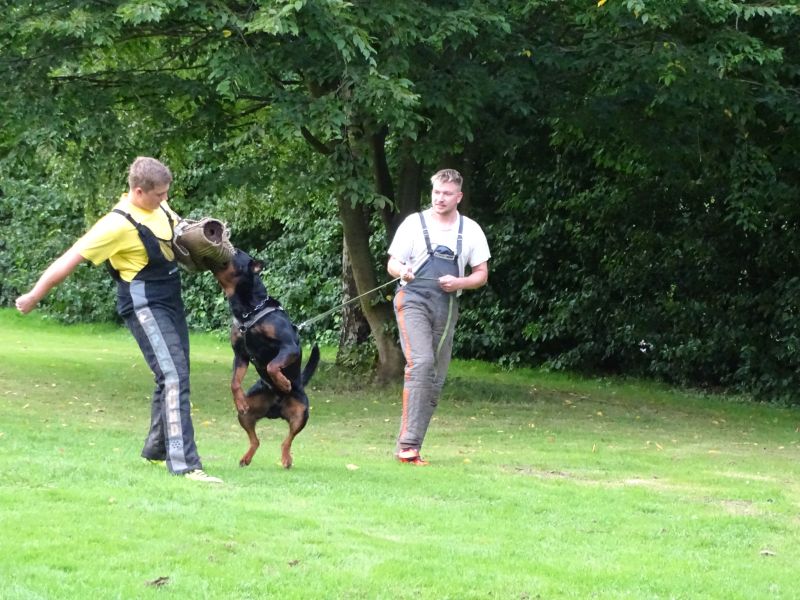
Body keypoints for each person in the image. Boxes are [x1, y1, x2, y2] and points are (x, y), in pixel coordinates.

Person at [15, 156, 222, 483]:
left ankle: (156, 450)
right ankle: (185, 464)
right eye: (159, 194)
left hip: (170, 298)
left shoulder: (160, 207)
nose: (165, 199)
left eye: (166, 193)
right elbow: (68, 261)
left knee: (173, 372)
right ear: (139, 191)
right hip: (144, 304)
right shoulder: (116, 224)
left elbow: (177, 231)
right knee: (173, 374)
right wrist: (33, 296)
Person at [386, 168, 491, 465]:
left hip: (447, 305)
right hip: (412, 299)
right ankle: (408, 446)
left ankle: (410, 445)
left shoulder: (471, 230)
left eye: (447, 193)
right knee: (421, 363)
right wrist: (403, 271)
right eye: (436, 192)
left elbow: (481, 274)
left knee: (435, 377)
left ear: (459, 197)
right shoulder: (413, 223)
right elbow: (393, 263)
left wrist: (459, 283)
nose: (440, 198)